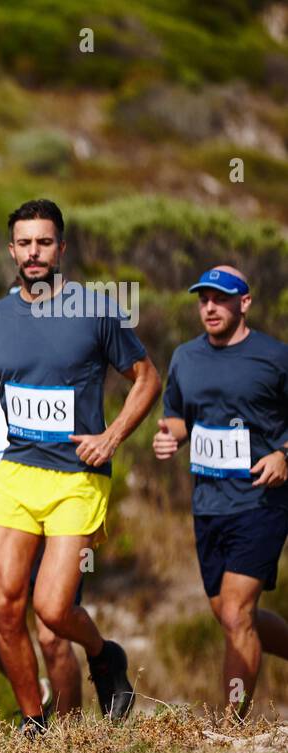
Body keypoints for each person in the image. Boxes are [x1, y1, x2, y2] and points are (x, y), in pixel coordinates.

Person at [0, 198, 160, 733]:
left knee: (52, 609)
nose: (34, 252)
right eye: (24, 243)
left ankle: (104, 654)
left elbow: (147, 379)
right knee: (4, 606)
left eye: (44, 242)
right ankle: (34, 720)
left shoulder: (95, 310)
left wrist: (112, 437)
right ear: (11, 250)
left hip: (77, 478)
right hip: (16, 473)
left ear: (61, 248)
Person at [152, 266, 288, 716]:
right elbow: (179, 416)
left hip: (260, 502)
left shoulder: (274, 357)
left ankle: (229, 729)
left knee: (235, 612)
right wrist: (169, 434)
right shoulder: (185, 358)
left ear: (244, 303)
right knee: (231, 617)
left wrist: (283, 454)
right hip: (208, 505)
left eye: (221, 298)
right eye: (203, 299)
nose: (210, 307)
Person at [0, 379, 83, 717]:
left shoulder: (57, 370)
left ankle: (71, 737)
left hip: (53, 514)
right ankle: (33, 689)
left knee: (52, 636)